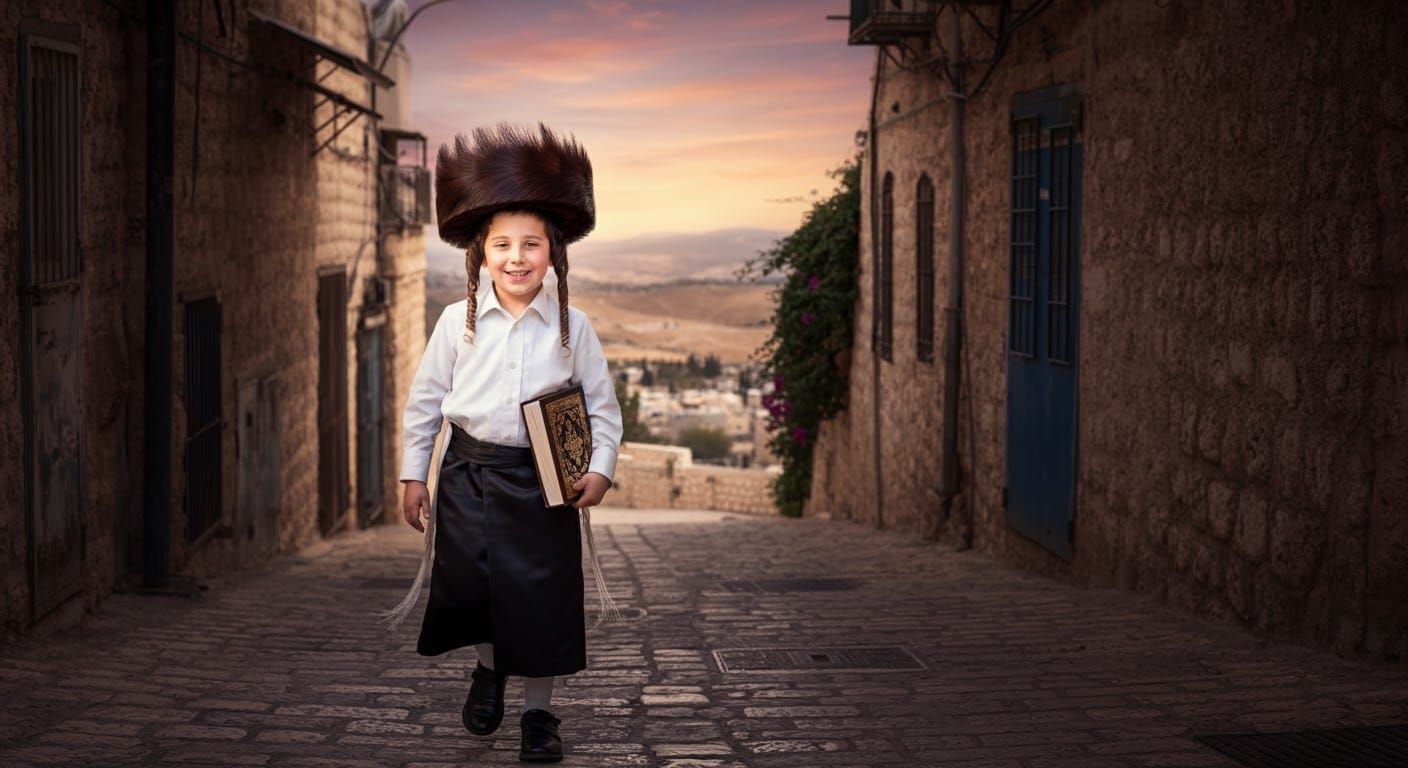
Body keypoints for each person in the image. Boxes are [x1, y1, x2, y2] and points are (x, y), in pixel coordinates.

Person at [383, 123, 624, 764]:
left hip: (545, 487)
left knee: (540, 601)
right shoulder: (453, 324)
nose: (517, 258)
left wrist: (598, 471)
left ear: (554, 255)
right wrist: (415, 476)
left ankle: (539, 717)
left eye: (531, 245)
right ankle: (488, 671)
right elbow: (426, 403)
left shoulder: (574, 328)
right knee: (478, 590)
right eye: (502, 246)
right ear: (480, 255)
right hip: (465, 474)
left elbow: (604, 409)